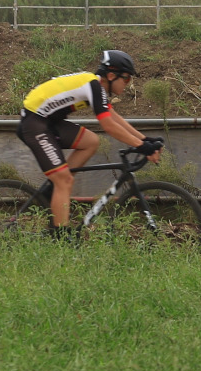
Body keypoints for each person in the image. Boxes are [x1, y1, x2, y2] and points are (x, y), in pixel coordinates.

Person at [16, 49, 162, 236]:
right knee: (65, 180)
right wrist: (142, 146)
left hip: (48, 122)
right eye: (126, 79)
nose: (128, 84)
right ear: (111, 75)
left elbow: (113, 116)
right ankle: (59, 237)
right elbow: (108, 125)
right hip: (34, 124)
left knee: (91, 141)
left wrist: (143, 139)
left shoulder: (95, 85)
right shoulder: (93, 85)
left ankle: (55, 189)